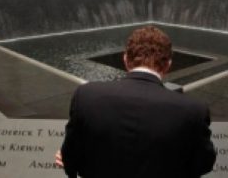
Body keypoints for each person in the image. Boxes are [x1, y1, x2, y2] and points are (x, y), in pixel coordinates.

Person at [57, 26, 216, 178]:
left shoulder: (86, 96)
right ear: (168, 65)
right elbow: (204, 164)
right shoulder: (193, 110)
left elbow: (70, 156)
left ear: (125, 60)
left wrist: (71, 161)